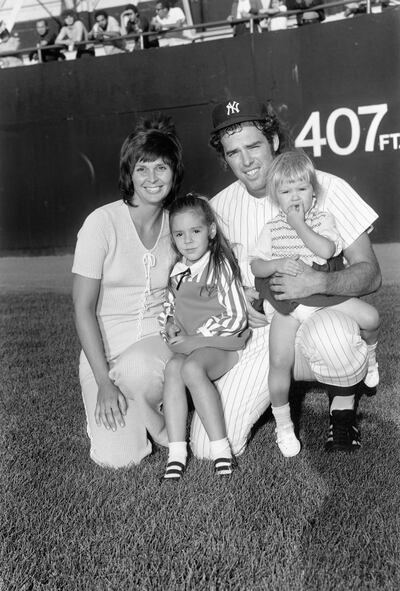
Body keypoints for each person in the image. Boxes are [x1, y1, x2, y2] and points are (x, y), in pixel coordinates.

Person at [189, 96, 381, 459]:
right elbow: (203, 284)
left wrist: (318, 283)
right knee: (206, 447)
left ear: (274, 141)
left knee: (334, 338)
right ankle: (283, 408)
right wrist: (235, 301)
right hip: (262, 335)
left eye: (253, 146)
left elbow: (370, 274)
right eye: (233, 153)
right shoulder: (218, 207)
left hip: (319, 316)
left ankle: (342, 406)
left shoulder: (324, 186)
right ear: (224, 157)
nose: (245, 161)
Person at [249, 149, 380, 457]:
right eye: (286, 190)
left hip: (321, 298)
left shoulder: (322, 220)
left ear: (313, 192)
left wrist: (299, 226)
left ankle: (371, 360)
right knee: (279, 361)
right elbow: (257, 266)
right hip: (288, 305)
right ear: (274, 196)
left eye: (301, 188)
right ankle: (283, 426)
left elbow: (325, 250)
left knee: (371, 317)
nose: (295, 196)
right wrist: (278, 263)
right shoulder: (270, 229)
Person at [72, 116, 184, 468]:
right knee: (118, 459)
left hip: (156, 346)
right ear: (129, 174)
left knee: (138, 370)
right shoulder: (101, 223)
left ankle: (166, 423)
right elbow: (82, 308)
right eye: (142, 168)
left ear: (174, 172)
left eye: (161, 167)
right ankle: (142, 411)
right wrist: (104, 383)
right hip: (104, 358)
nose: (152, 178)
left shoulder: (179, 222)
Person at [159, 194, 250, 480]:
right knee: (172, 368)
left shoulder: (219, 266)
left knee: (191, 367)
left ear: (210, 231)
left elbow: (236, 316)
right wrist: (169, 324)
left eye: (195, 231)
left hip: (223, 343)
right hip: (190, 345)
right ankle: (176, 452)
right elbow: (170, 307)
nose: (187, 240)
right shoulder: (177, 272)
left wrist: (196, 339)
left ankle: (222, 450)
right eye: (179, 234)